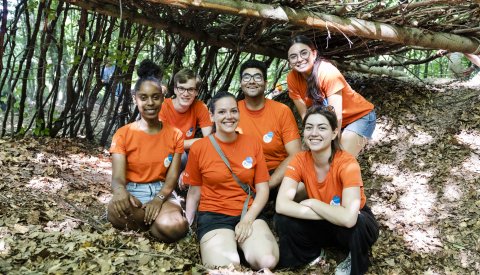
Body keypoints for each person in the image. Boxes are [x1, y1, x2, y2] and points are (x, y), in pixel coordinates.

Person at [274, 105, 379, 275]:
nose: (314, 133)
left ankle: (354, 260)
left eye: (322, 128)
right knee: (283, 219)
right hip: (328, 218)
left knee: (359, 223)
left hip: (352, 225)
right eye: (309, 127)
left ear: (334, 133)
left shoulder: (347, 163)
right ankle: (310, 255)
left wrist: (313, 202)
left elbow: (349, 219)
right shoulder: (300, 159)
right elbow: (281, 205)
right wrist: (328, 214)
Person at [183, 91, 279, 270]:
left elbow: (263, 189)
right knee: (225, 268)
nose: (229, 116)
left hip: (247, 211)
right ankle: (230, 248)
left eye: (233, 111)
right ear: (211, 116)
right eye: (222, 112)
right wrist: (188, 225)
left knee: (267, 261)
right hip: (214, 215)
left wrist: (248, 219)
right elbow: (194, 191)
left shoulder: (253, 143)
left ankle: (246, 247)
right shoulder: (199, 148)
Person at [108, 60, 188, 243]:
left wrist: (158, 199)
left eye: (155, 97)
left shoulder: (175, 134)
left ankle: (150, 225)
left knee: (174, 225)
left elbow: (171, 179)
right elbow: (118, 179)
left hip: (162, 191)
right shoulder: (123, 134)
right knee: (114, 210)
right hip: (133, 193)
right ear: (135, 98)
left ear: (162, 98)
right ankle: (154, 227)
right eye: (143, 97)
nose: (150, 103)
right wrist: (121, 192)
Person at [287, 35, 376, 157]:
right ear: (289, 61)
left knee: (339, 159)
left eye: (304, 53)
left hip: (359, 117)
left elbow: (336, 117)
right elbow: (305, 116)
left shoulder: (327, 72)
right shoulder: (292, 78)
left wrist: (331, 145)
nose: (299, 59)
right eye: (293, 56)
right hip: (332, 121)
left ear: (314, 53)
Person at [236, 59, 301, 195]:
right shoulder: (232, 111)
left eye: (257, 77)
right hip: (242, 174)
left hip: (276, 174)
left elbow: (295, 154)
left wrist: (268, 185)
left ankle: (277, 208)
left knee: (300, 187)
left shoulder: (281, 111)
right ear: (241, 83)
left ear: (265, 84)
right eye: (246, 77)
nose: (252, 81)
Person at [158, 68, 213, 188]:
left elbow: (211, 142)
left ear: (196, 92)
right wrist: (198, 142)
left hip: (186, 154)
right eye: (181, 88)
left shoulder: (200, 107)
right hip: (164, 153)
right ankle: (166, 189)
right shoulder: (164, 107)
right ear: (175, 90)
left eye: (190, 89)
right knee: (180, 155)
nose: (186, 93)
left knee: (207, 157)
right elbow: (163, 142)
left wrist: (188, 169)